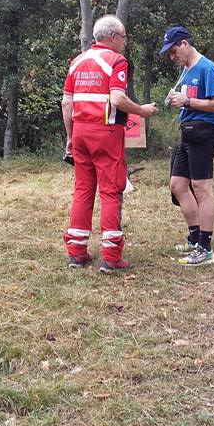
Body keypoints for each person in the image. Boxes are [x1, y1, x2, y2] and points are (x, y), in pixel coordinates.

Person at [61, 15, 158, 272]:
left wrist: (70, 137)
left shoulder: (77, 62)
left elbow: (66, 103)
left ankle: (77, 250)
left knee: (83, 189)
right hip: (106, 132)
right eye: (124, 38)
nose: (124, 43)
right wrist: (142, 111)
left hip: (80, 132)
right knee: (111, 190)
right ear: (113, 37)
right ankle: (112, 256)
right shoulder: (117, 61)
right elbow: (117, 99)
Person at [160, 25, 214, 267]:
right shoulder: (186, 70)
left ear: (186, 44)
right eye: (169, 53)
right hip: (186, 134)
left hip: (204, 133)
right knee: (178, 185)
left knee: (201, 187)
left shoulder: (206, 67)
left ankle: (206, 249)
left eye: (173, 50)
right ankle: (195, 237)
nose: (172, 57)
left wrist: (188, 101)